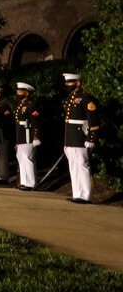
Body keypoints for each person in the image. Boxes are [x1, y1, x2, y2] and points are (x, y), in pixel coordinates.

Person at [62, 72, 100, 204]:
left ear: (78, 83)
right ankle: (77, 193)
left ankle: (85, 195)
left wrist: (91, 138)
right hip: (70, 136)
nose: (67, 85)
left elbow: (93, 120)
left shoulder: (85, 98)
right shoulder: (70, 98)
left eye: (70, 82)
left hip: (80, 136)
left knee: (82, 165)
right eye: (66, 82)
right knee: (73, 165)